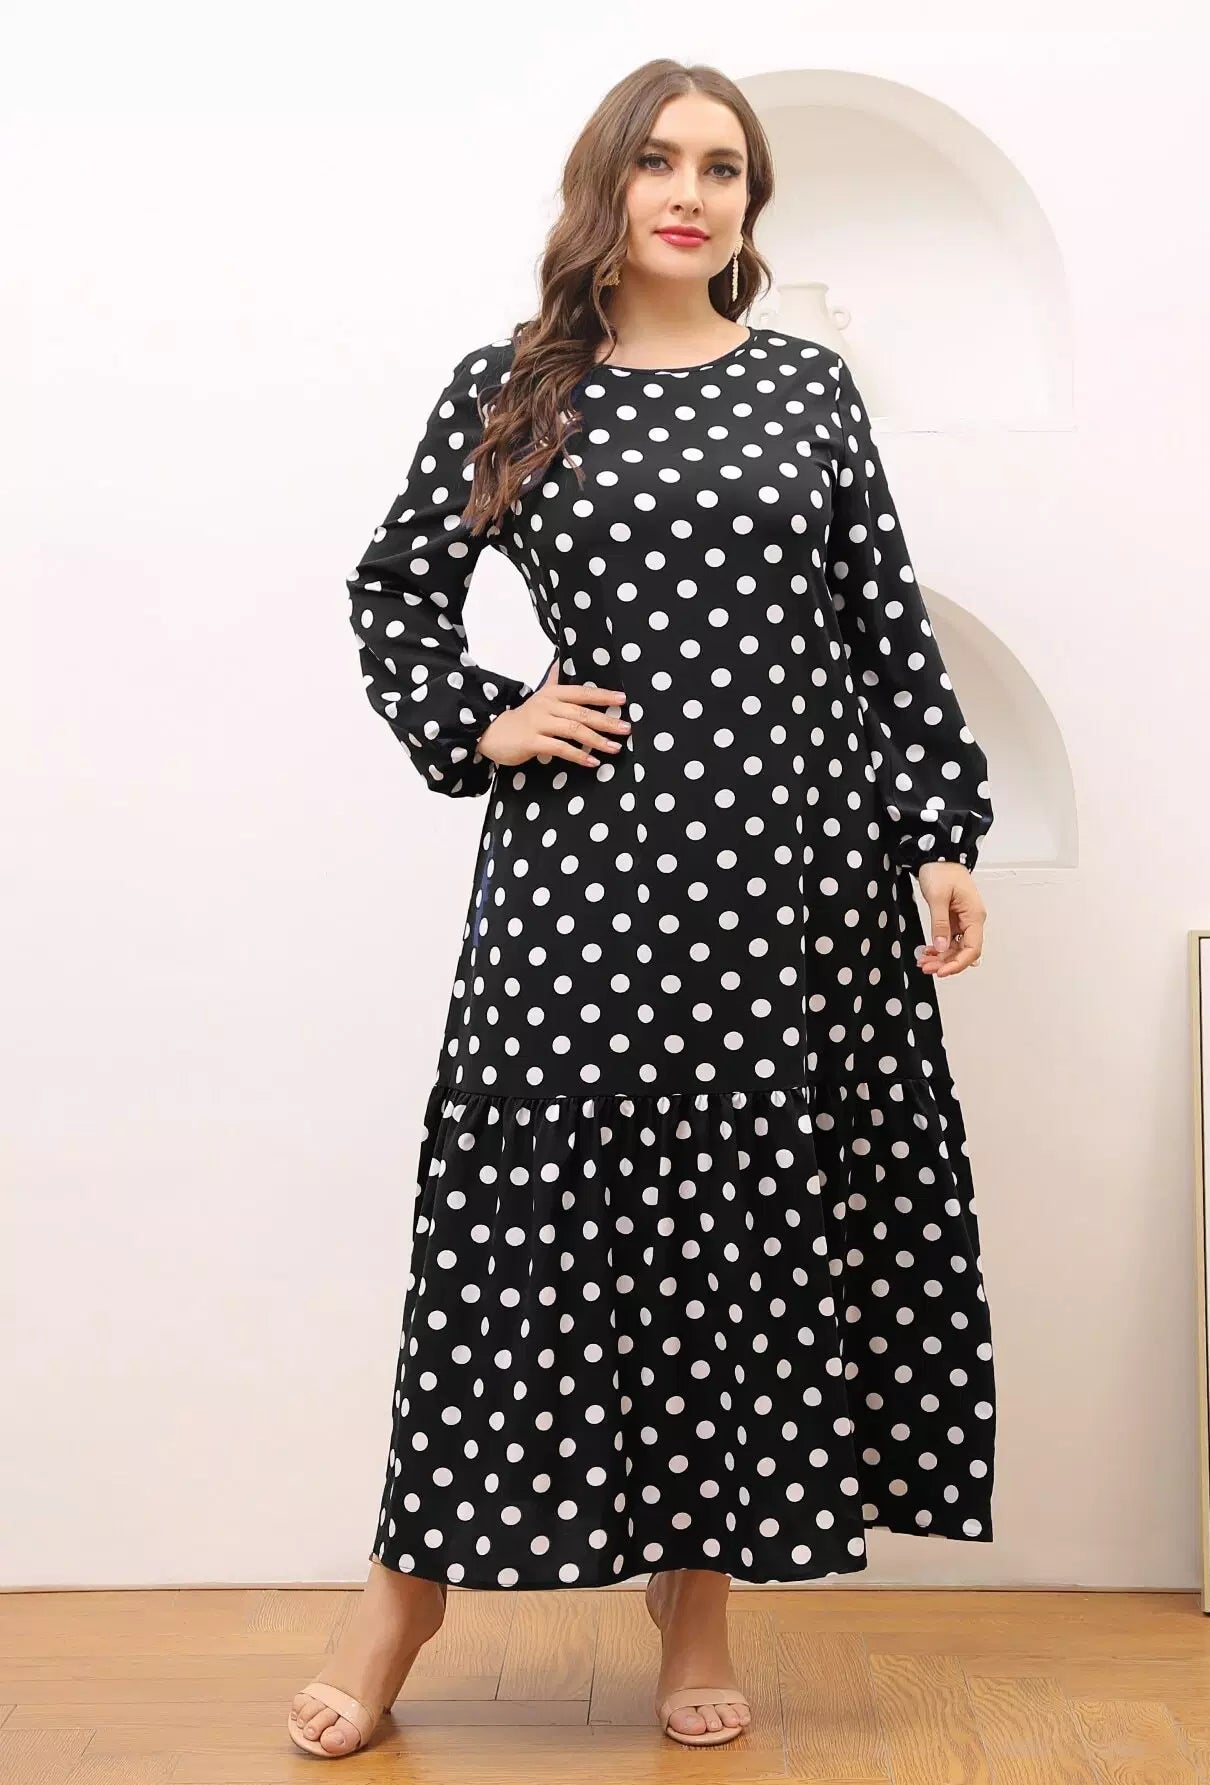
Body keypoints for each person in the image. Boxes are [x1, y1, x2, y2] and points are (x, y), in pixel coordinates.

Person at [288, 56, 997, 1761]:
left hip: (792, 886)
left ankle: (698, 1604)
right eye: (661, 161)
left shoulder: (807, 390)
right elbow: (396, 588)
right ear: (605, 182)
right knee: (515, 1236)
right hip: (587, 885)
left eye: (724, 169)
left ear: (752, 204)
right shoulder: (514, 387)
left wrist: (939, 830)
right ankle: (400, 1601)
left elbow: (883, 631)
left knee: (741, 1227)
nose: (691, 193)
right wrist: (486, 717)